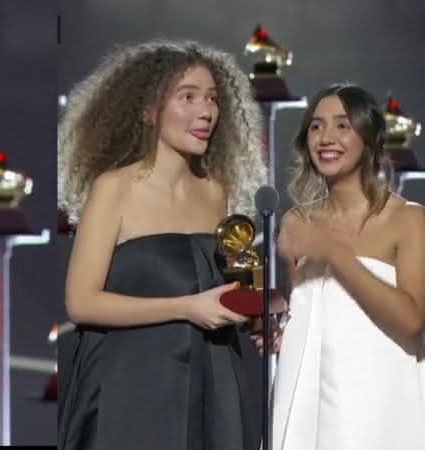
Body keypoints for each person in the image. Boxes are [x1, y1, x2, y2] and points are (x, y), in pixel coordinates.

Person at [57, 39, 266, 450]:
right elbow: (81, 302)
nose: (205, 112)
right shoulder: (114, 188)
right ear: (148, 109)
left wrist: (257, 314)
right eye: (187, 97)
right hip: (131, 387)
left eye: (211, 99)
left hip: (213, 379)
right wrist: (187, 308)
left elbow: (235, 289)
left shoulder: (216, 193)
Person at [268, 83, 425, 449]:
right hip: (312, 399)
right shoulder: (295, 222)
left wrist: (336, 254)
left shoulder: (407, 219)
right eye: (316, 126)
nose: (327, 137)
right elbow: (306, 313)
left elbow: (412, 319)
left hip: (385, 396)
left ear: (368, 138)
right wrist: (274, 329)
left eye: (343, 125)